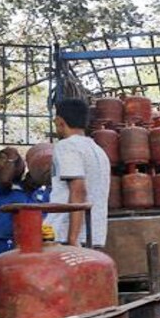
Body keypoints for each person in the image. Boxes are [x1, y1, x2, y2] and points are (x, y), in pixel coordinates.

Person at [46, 98, 110, 247]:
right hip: (94, 234)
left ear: (60, 121)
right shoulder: (98, 150)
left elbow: (78, 189)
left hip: (66, 234)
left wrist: (73, 239)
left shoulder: (67, 146)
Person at [0, 146, 49, 256]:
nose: (12, 165)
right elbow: (5, 179)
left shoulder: (30, 187)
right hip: (7, 241)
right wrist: (12, 157)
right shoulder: (3, 188)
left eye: (15, 163)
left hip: (34, 242)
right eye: (7, 164)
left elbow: (39, 174)